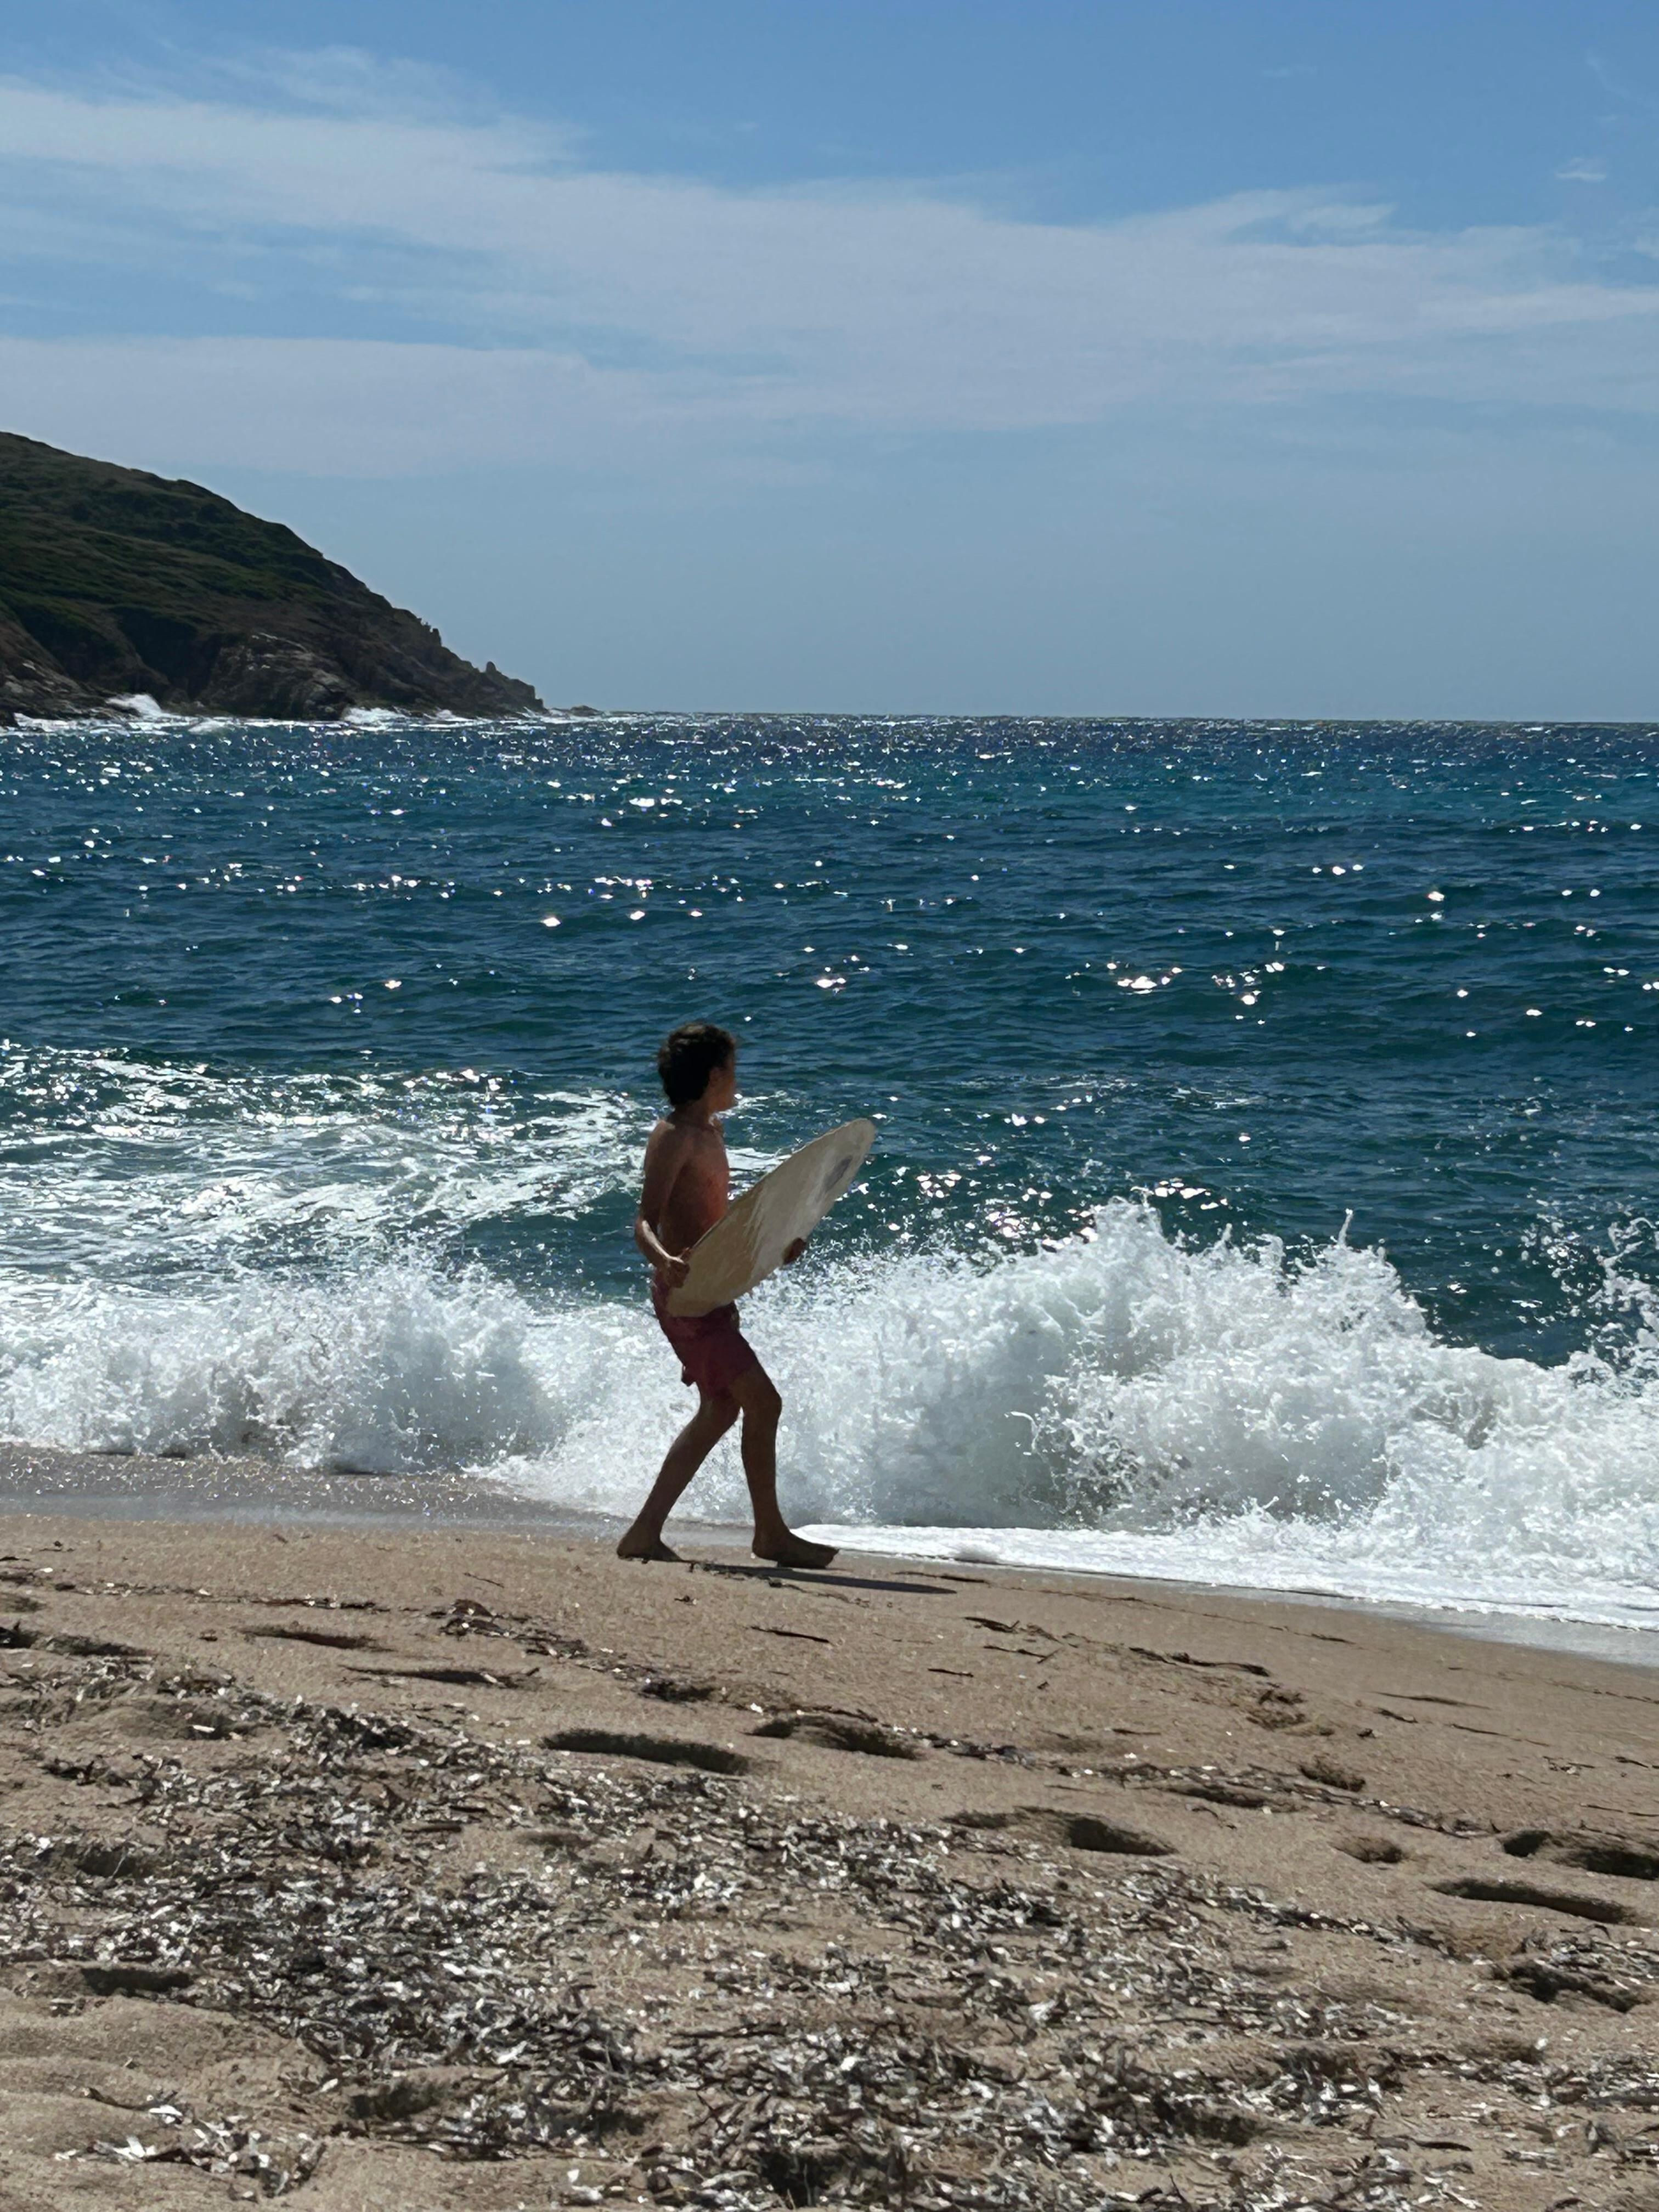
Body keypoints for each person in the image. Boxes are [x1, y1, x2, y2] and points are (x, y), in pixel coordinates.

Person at [617, 1021, 837, 1570]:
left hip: (711, 1292)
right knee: (764, 1403)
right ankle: (771, 1534)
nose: (738, 1080)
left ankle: (644, 1533)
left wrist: (775, 1246)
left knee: (720, 1411)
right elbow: (644, 1219)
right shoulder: (675, 1137)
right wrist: (663, 1259)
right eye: (733, 1071)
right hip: (686, 1297)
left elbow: (724, 1225)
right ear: (715, 1076)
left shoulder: (712, 1133)